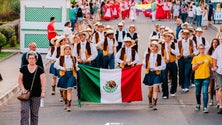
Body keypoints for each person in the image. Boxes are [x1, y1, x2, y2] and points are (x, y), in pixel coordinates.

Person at [18, 51, 46, 125]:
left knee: (34, 114)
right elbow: (20, 79)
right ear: (27, 59)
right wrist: (23, 89)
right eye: (30, 58)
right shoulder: (23, 68)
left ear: (36, 59)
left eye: (33, 58)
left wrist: (43, 92)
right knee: (24, 111)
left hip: (36, 94)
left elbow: (43, 81)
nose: (31, 60)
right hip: (25, 94)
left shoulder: (40, 69)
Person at [143, 41, 166, 110]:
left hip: (156, 74)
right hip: (149, 74)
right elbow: (144, 64)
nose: (153, 48)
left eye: (155, 46)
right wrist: (147, 67)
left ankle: (155, 104)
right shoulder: (147, 56)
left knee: (155, 89)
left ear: (157, 48)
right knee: (150, 90)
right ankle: (150, 101)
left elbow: (164, 66)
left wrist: (156, 68)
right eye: (152, 46)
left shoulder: (159, 56)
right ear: (150, 47)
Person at [54, 44, 77, 112]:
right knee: (64, 90)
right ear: (64, 50)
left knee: (69, 89)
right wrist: (62, 68)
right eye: (66, 49)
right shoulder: (61, 58)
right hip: (64, 74)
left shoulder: (73, 58)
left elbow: (76, 66)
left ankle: (69, 106)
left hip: (71, 74)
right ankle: (66, 103)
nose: (68, 50)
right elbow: (55, 65)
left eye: (69, 49)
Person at [192, 44, 212, 113]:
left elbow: (212, 65)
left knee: (205, 92)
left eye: (203, 48)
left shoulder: (208, 57)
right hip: (197, 78)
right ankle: (198, 104)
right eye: (200, 49)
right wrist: (198, 64)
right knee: (197, 93)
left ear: (204, 49)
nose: (202, 50)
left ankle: (205, 107)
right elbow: (193, 68)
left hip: (206, 77)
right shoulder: (195, 58)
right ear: (198, 50)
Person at [160, 31, 179, 99]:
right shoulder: (162, 45)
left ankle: (173, 90)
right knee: (164, 78)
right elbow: (161, 54)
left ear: (170, 38)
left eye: (168, 36)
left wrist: (171, 50)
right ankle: (165, 93)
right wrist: (164, 60)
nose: (167, 38)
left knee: (174, 77)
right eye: (165, 36)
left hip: (172, 62)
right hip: (165, 63)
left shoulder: (174, 44)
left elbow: (178, 53)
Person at [208, 38, 220, 106]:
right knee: (211, 85)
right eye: (213, 43)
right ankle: (211, 99)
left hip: (218, 69)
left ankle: (218, 100)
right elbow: (208, 61)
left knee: (218, 86)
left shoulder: (220, 51)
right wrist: (212, 67)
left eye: (216, 43)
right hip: (211, 70)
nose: (215, 44)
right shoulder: (210, 52)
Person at [212, 42, 222, 114]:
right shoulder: (219, 48)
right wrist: (214, 66)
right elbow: (214, 58)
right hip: (219, 71)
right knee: (220, 88)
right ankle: (221, 106)